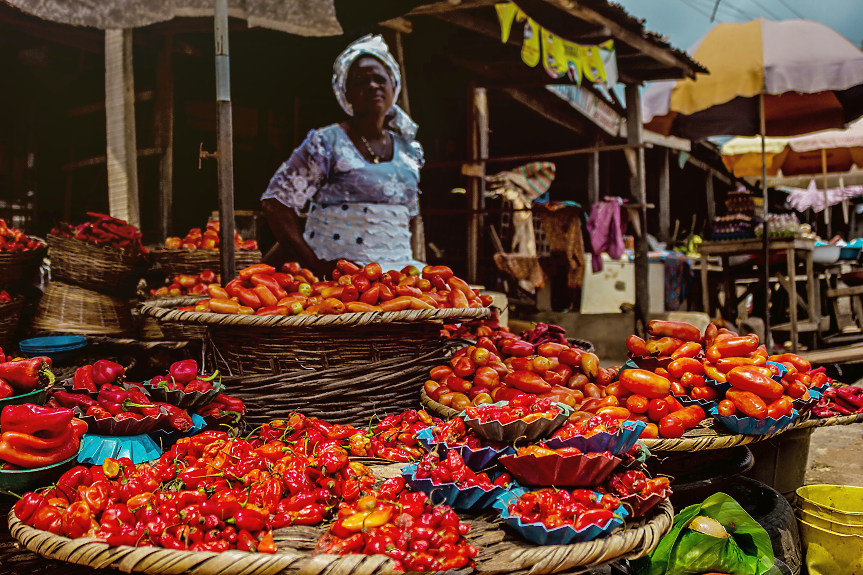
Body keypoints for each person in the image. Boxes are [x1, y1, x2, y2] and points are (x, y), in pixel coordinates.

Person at [261, 35, 425, 277]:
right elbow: (275, 204)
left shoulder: (409, 151)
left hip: (396, 274)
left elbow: (409, 217)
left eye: (380, 79)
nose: (373, 86)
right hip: (335, 277)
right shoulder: (326, 143)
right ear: (345, 92)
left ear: (394, 86)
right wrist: (315, 265)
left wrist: (407, 264)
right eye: (361, 81)